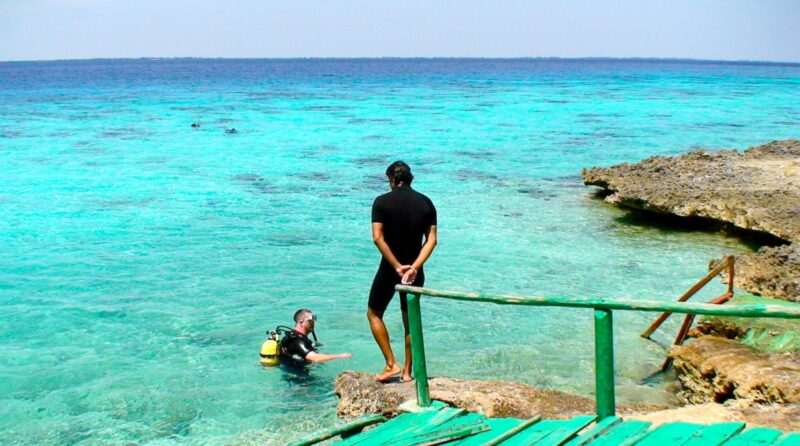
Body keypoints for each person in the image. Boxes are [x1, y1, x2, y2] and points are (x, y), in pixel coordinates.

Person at [368, 161, 437, 383]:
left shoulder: (381, 202)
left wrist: (397, 266)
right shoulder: (426, 202)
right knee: (410, 322)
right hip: (415, 272)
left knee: (374, 314)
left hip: (390, 269)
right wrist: (414, 267)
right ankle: (407, 372)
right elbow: (432, 240)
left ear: (391, 179)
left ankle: (390, 364)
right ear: (410, 179)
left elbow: (377, 237)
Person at [279, 309, 352, 368]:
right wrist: (339, 356)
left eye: (315, 319)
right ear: (301, 322)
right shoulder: (297, 340)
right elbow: (315, 358)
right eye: (311, 320)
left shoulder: (296, 336)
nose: (314, 322)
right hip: (297, 379)